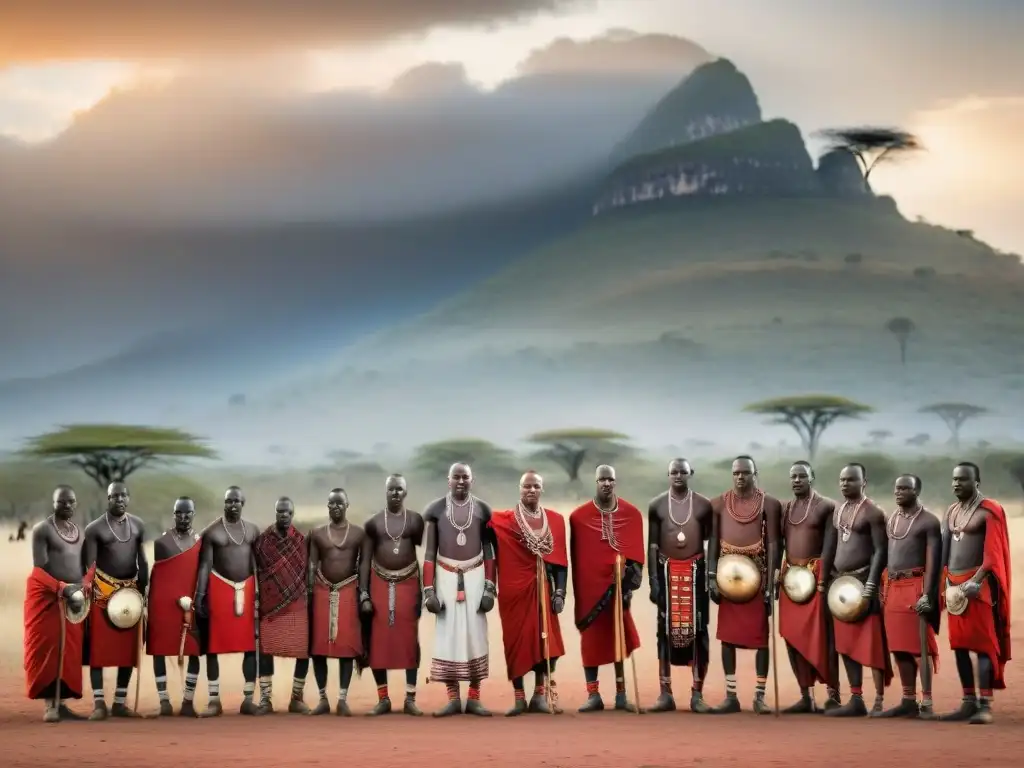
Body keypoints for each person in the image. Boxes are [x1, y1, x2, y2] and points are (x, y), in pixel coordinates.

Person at [707, 456, 782, 714]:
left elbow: (774, 544)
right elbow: (714, 541)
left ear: (754, 474)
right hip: (729, 578)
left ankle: (759, 696)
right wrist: (711, 576)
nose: (740, 477)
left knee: (761, 638)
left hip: (757, 577)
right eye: (736, 473)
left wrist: (772, 582)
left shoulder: (769, 504)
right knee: (727, 638)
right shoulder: (718, 503)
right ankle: (731, 696)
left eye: (745, 473)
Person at [490, 471, 568, 716]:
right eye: (526, 486)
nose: (531, 490)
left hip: (543, 589)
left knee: (548, 644)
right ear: (519, 488)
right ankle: (519, 698)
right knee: (516, 643)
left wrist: (560, 593)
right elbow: (481, 533)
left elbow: (560, 562)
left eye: (536, 486)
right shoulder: (504, 520)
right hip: (514, 591)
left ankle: (539, 695)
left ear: (542, 489)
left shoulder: (554, 521)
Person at [939, 462, 1012, 724]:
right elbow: (944, 552)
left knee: (982, 647)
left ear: (976, 482)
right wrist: (943, 584)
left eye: (963, 480)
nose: (957, 484)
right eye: (954, 479)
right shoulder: (951, 512)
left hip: (977, 587)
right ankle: (967, 702)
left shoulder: (989, 510)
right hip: (953, 587)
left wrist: (977, 581)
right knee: (959, 646)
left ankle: (985, 704)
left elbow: (993, 554)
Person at [422, 463, 495, 716]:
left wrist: (489, 588)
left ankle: (474, 697)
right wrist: (429, 591)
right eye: (456, 477)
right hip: (445, 578)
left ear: (472, 480)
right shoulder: (436, 510)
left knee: (476, 635)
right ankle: (453, 698)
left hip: (475, 575)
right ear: (448, 479)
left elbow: (489, 552)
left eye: (465, 477)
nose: (461, 481)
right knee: (448, 636)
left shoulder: (483, 511)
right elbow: (430, 554)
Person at [570, 465, 644, 712]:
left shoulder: (631, 514)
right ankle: (594, 695)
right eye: (602, 479)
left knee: (618, 637)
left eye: (610, 479)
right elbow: (580, 558)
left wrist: (630, 581)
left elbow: (635, 555)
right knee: (591, 641)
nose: (606, 483)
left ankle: (622, 694)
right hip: (590, 591)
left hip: (618, 588)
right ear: (596, 481)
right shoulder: (579, 518)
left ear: (615, 481)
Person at [825, 463, 893, 717]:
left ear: (864, 482)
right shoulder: (838, 510)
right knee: (845, 643)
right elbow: (832, 548)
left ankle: (879, 700)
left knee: (872, 643)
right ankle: (856, 698)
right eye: (842, 480)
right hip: (840, 585)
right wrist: (828, 579)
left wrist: (871, 584)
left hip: (864, 583)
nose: (845, 484)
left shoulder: (873, 513)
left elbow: (880, 551)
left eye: (851, 480)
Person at [646, 458, 714, 713]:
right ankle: (666, 693)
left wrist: (711, 576)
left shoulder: (704, 505)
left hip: (696, 573)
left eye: (683, 472)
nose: (678, 475)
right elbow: (652, 545)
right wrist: (653, 581)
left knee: (699, 631)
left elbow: (711, 542)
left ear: (690, 474)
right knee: (663, 632)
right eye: (673, 471)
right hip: (666, 573)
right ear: (668, 474)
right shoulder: (656, 505)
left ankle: (697, 693)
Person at [875, 474, 941, 718]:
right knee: (899, 647)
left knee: (919, 647)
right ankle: (908, 699)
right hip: (893, 586)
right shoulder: (892, 519)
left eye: (905, 488)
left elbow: (934, 562)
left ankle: (927, 702)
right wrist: (882, 586)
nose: (899, 491)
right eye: (897, 487)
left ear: (917, 491)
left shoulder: (929, 522)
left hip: (916, 586)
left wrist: (928, 594)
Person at [24, 486, 92, 722]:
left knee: (69, 651)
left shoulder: (79, 532)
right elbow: (39, 570)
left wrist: (84, 586)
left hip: (75, 600)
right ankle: (50, 706)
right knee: (50, 648)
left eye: (71, 502)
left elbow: (86, 566)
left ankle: (61, 703)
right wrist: (63, 589)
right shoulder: (42, 530)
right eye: (62, 502)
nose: (67, 506)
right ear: (53, 503)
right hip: (49, 598)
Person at [360, 474, 426, 716]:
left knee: (409, 640)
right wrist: (364, 594)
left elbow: (422, 557)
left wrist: (421, 592)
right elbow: (365, 561)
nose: (395, 493)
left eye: (399, 489)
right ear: (385, 491)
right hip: (379, 582)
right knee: (379, 641)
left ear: (405, 493)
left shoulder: (416, 521)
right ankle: (383, 698)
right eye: (391, 489)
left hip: (408, 583)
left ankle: (410, 699)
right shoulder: (374, 524)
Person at [82, 482, 148, 720]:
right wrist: (86, 589)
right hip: (102, 594)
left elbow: (142, 560)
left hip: (130, 596)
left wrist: (144, 590)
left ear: (128, 498)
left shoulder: (138, 525)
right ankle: (99, 704)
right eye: (114, 496)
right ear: (107, 499)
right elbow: (89, 565)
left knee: (127, 651)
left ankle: (120, 702)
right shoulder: (94, 529)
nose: (119, 499)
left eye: (123, 496)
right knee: (98, 650)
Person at [778, 461, 840, 713]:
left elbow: (830, 545)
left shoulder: (827, 507)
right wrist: (777, 572)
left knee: (822, 638)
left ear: (812, 478)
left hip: (817, 578)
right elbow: (779, 544)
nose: (797, 480)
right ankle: (806, 695)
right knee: (791, 638)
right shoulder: (785, 509)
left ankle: (833, 694)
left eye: (802, 476)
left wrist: (823, 579)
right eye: (793, 476)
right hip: (790, 578)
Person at [195, 486, 261, 716]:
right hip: (219, 590)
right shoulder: (212, 532)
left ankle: (248, 699)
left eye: (236, 501)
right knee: (213, 646)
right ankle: (214, 700)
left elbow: (257, 564)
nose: (232, 505)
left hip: (248, 589)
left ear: (243, 503)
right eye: (228, 501)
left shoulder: (253, 530)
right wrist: (200, 595)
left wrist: (259, 595)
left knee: (250, 646)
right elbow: (205, 565)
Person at [308, 488, 366, 716]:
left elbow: (363, 565)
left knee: (346, 647)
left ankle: (342, 698)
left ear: (347, 505)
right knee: (318, 648)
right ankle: (322, 698)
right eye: (331, 504)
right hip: (322, 591)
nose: (335, 507)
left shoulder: (359, 534)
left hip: (349, 590)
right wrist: (309, 592)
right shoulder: (317, 534)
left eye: (339, 503)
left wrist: (363, 593)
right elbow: (312, 566)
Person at [253, 497, 312, 714]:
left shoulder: (300, 541)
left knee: (303, 649)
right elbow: (258, 571)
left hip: (296, 601)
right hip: (270, 605)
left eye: (287, 512)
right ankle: (266, 699)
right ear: (275, 513)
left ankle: (296, 698)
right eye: (280, 512)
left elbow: (307, 571)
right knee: (265, 649)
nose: (284, 516)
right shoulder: (263, 541)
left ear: (293, 514)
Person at [146, 497, 202, 717]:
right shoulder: (162, 543)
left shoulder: (200, 542)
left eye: (187, 513)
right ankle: (164, 701)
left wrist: (193, 599)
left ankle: (188, 701)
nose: (183, 517)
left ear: (193, 514)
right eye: (179, 513)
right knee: (160, 648)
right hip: (165, 603)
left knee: (194, 648)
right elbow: (161, 577)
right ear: (173, 514)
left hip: (191, 602)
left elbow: (199, 574)